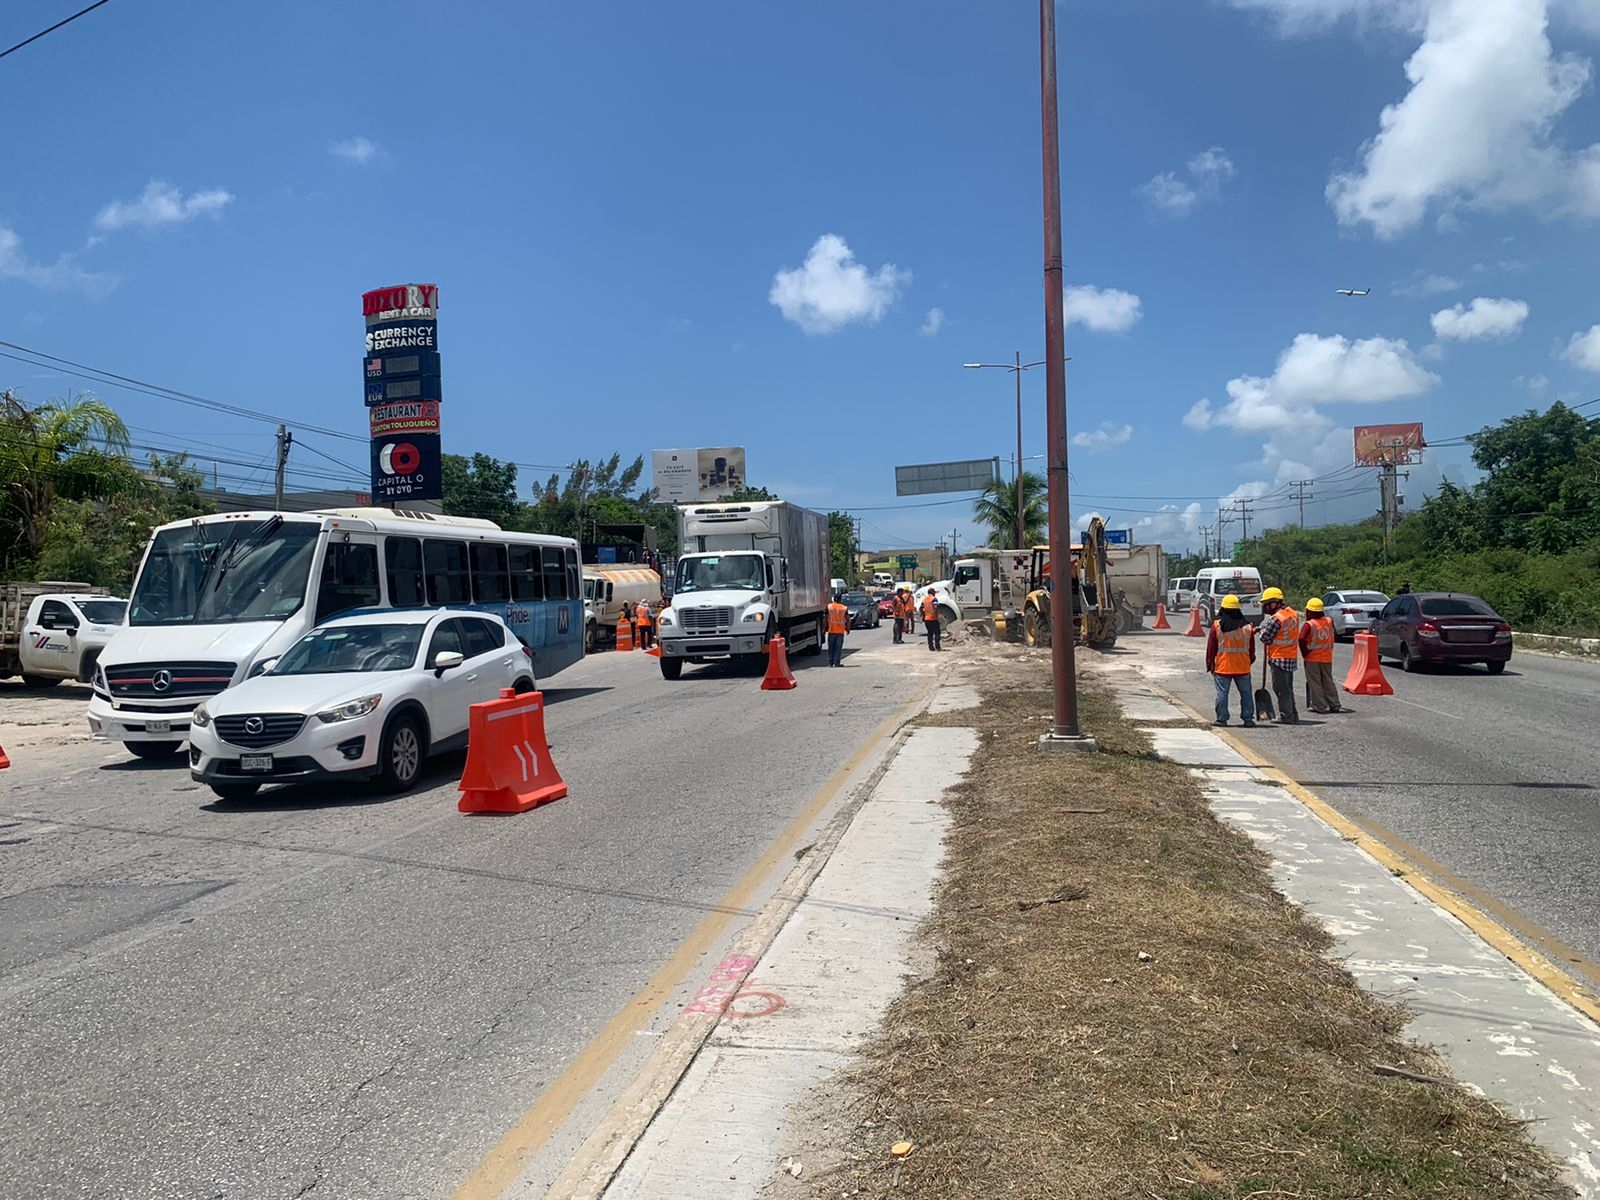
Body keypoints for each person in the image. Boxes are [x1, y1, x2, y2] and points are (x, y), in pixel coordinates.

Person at [1204, 594, 1256, 727]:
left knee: (1222, 693)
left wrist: (1210, 664)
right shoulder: (1248, 627)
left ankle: (1222, 719)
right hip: (1243, 667)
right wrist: (1249, 661)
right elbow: (1252, 650)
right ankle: (1248, 718)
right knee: (1246, 694)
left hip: (1223, 667)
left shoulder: (1217, 626)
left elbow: (1211, 648)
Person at [1257, 586, 1301, 724]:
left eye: (1266, 604)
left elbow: (1265, 638)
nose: (1265, 608)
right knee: (1288, 689)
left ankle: (1286, 716)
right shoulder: (1292, 613)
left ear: (1274, 603)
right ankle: (1293, 713)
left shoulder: (1276, 619)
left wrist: (1260, 631)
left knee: (1281, 689)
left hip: (1279, 658)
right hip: (1291, 657)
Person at [1299, 597, 1343, 714]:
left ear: (1309, 611)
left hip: (1312, 658)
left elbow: (1301, 638)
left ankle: (1320, 706)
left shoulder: (1309, 625)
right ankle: (1335, 704)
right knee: (1328, 681)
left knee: (1315, 683)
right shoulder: (1329, 621)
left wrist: (1305, 653)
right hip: (1327, 658)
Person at [826, 591, 849, 667]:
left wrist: (824, 629)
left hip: (831, 630)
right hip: (840, 632)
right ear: (840, 599)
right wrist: (848, 629)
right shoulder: (844, 608)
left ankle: (830, 662)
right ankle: (837, 662)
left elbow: (825, 619)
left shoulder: (829, 607)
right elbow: (848, 619)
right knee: (838, 648)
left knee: (831, 647)